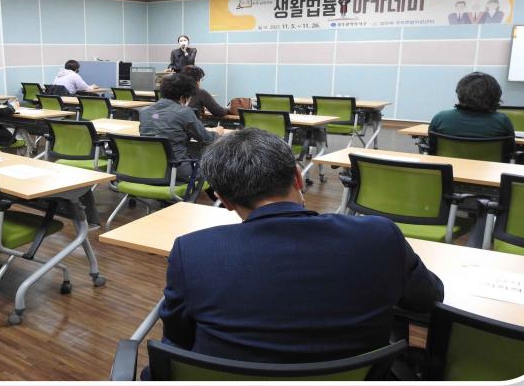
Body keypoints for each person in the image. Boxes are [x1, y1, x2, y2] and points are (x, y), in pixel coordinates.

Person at [156, 128, 444, 368]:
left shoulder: (192, 252)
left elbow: (179, 339)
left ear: (225, 200)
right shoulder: (379, 235)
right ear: (297, 177)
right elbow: (427, 299)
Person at [139, 74, 223, 182]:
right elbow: (207, 139)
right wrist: (218, 133)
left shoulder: (144, 112)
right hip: (177, 171)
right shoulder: (184, 112)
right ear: (183, 97)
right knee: (216, 167)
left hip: (148, 169)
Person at [429, 72, 514, 138]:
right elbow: (509, 151)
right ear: (496, 95)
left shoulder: (440, 118)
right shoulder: (502, 121)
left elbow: (432, 149)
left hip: (448, 157)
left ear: (459, 93)